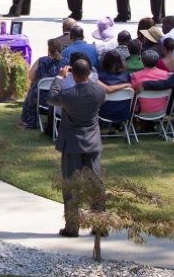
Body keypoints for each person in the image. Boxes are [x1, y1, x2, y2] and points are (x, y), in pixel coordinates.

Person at [47, 58, 106, 237]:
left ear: (73, 73)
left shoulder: (68, 94)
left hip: (72, 143)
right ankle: (100, 225)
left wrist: (59, 78)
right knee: (96, 183)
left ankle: (72, 227)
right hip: (92, 141)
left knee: (71, 185)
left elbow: (50, 98)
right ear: (89, 73)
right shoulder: (99, 91)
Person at [20, 38, 66, 129]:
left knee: (32, 91)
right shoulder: (66, 62)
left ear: (49, 49)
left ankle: (30, 121)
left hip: (40, 98)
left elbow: (30, 76)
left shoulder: (41, 60)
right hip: (58, 96)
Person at [131, 50, 170, 114]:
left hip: (141, 111)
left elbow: (131, 93)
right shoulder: (165, 74)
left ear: (142, 61)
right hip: (162, 110)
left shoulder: (136, 75)